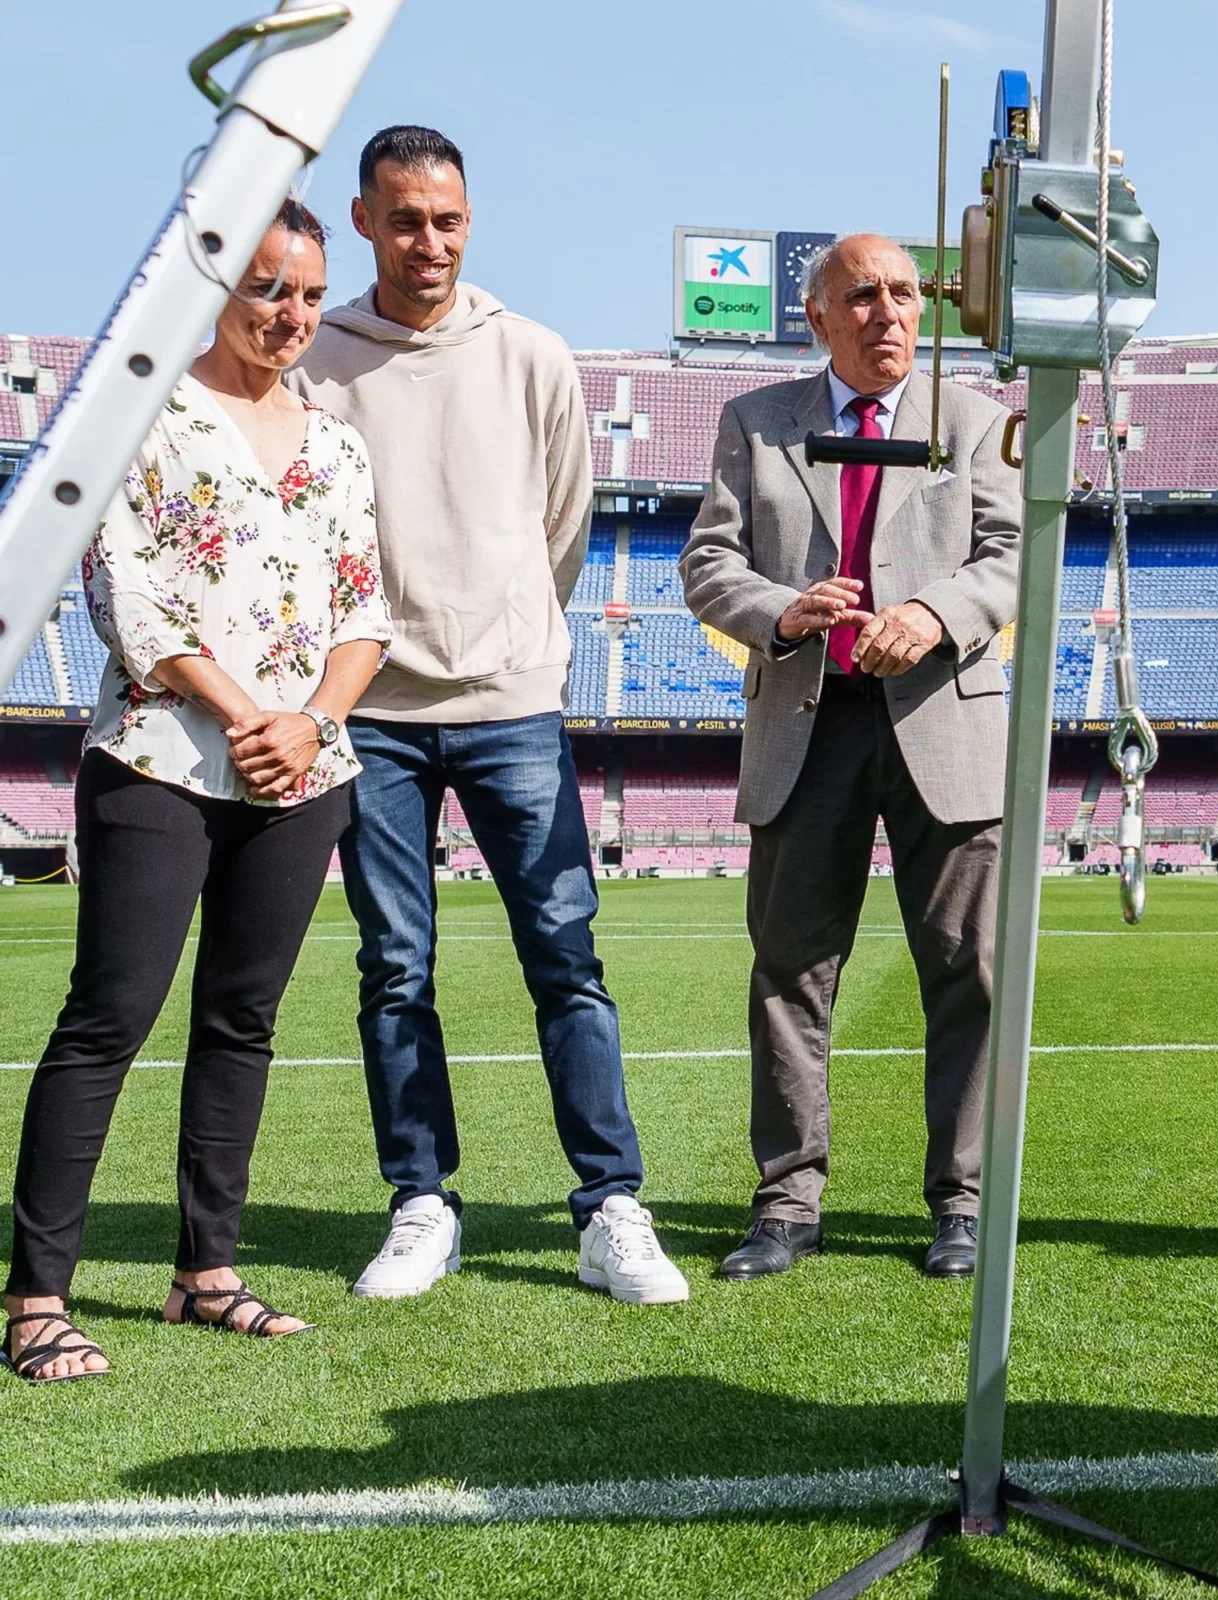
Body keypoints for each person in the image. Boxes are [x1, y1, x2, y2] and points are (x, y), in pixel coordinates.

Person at [289, 126, 685, 1307]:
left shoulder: (530, 354)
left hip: (511, 703)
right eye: (405, 219)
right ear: (362, 220)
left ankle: (612, 1203)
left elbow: (562, 527)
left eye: (449, 220)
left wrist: (507, 635)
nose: (429, 242)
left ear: (472, 219)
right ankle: (422, 1201)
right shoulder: (319, 359)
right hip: (375, 713)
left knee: (565, 957)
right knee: (394, 964)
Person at [5, 202, 391, 1383]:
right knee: (109, 1018)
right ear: (216, 288)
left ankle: (203, 1272)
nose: (292, 314)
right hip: (161, 759)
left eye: (312, 294)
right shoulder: (143, 417)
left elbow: (365, 612)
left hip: (304, 771)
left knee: (244, 1020)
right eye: (270, 287)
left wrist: (310, 722)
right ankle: (35, 1297)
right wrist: (245, 717)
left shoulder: (336, 444)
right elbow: (132, 597)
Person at [681, 234, 1023, 1282]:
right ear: (817, 316)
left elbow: (1011, 556)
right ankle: (787, 1202)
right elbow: (708, 561)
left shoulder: (975, 421)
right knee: (789, 969)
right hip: (808, 719)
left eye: (905, 294)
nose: (888, 312)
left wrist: (930, 611)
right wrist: (784, 612)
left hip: (945, 720)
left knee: (971, 972)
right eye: (862, 296)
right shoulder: (757, 423)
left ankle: (961, 1202)